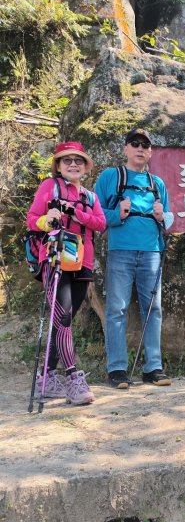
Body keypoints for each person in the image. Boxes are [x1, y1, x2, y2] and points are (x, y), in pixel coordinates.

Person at [27, 142, 106, 405]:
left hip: (82, 261)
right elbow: (32, 219)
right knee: (63, 317)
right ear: (58, 166)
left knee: (65, 319)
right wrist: (47, 219)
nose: (73, 164)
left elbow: (100, 223)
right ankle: (73, 378)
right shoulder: (49, 187)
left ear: (85, 167)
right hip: (55, 259)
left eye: (78, 160)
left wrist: (74, 211)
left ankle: (46, 377)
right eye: (66, 160)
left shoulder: (91, 196)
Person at [95, 128, 174, 389]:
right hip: (121, 251)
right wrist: (118, 214)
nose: (140, 148)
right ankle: (117, 369)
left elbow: (169, 219)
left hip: (152, 251)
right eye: (135, 143)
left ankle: (153, 367)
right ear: (125, 148)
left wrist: (163, 218)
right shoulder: (110, 177)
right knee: (116, 309)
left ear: (151, 152)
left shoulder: (157, 183)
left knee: (154, 309)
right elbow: (95, 216)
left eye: (145, 145)